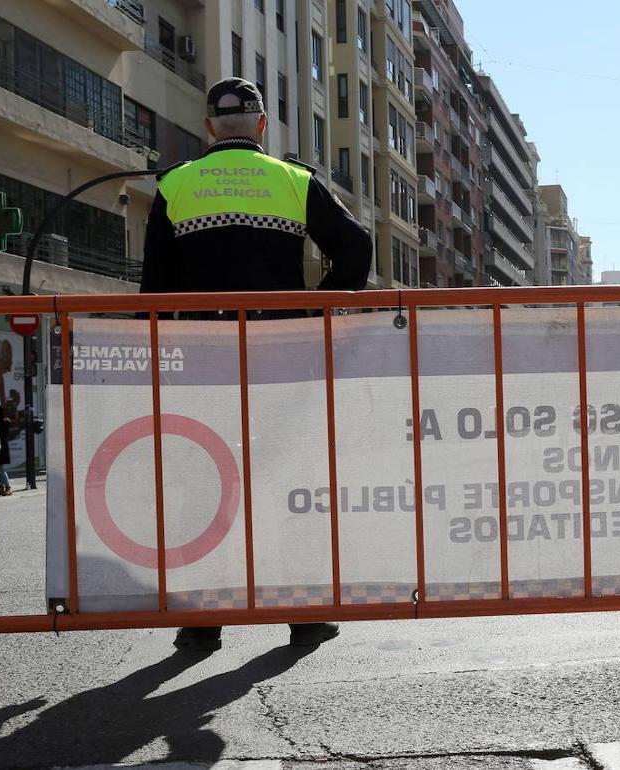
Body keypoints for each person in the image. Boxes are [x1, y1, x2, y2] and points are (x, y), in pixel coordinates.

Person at [142, 77, 371, 654]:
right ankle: (303, 615)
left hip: (203, 360)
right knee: (285, 481)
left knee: (203, 479)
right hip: (281, 358)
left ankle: (201, 618)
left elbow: (155, 291)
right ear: (263, 126)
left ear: (209, 128)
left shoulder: (177, 185)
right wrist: (317, 312)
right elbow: (356, 247)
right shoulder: (294, 182)